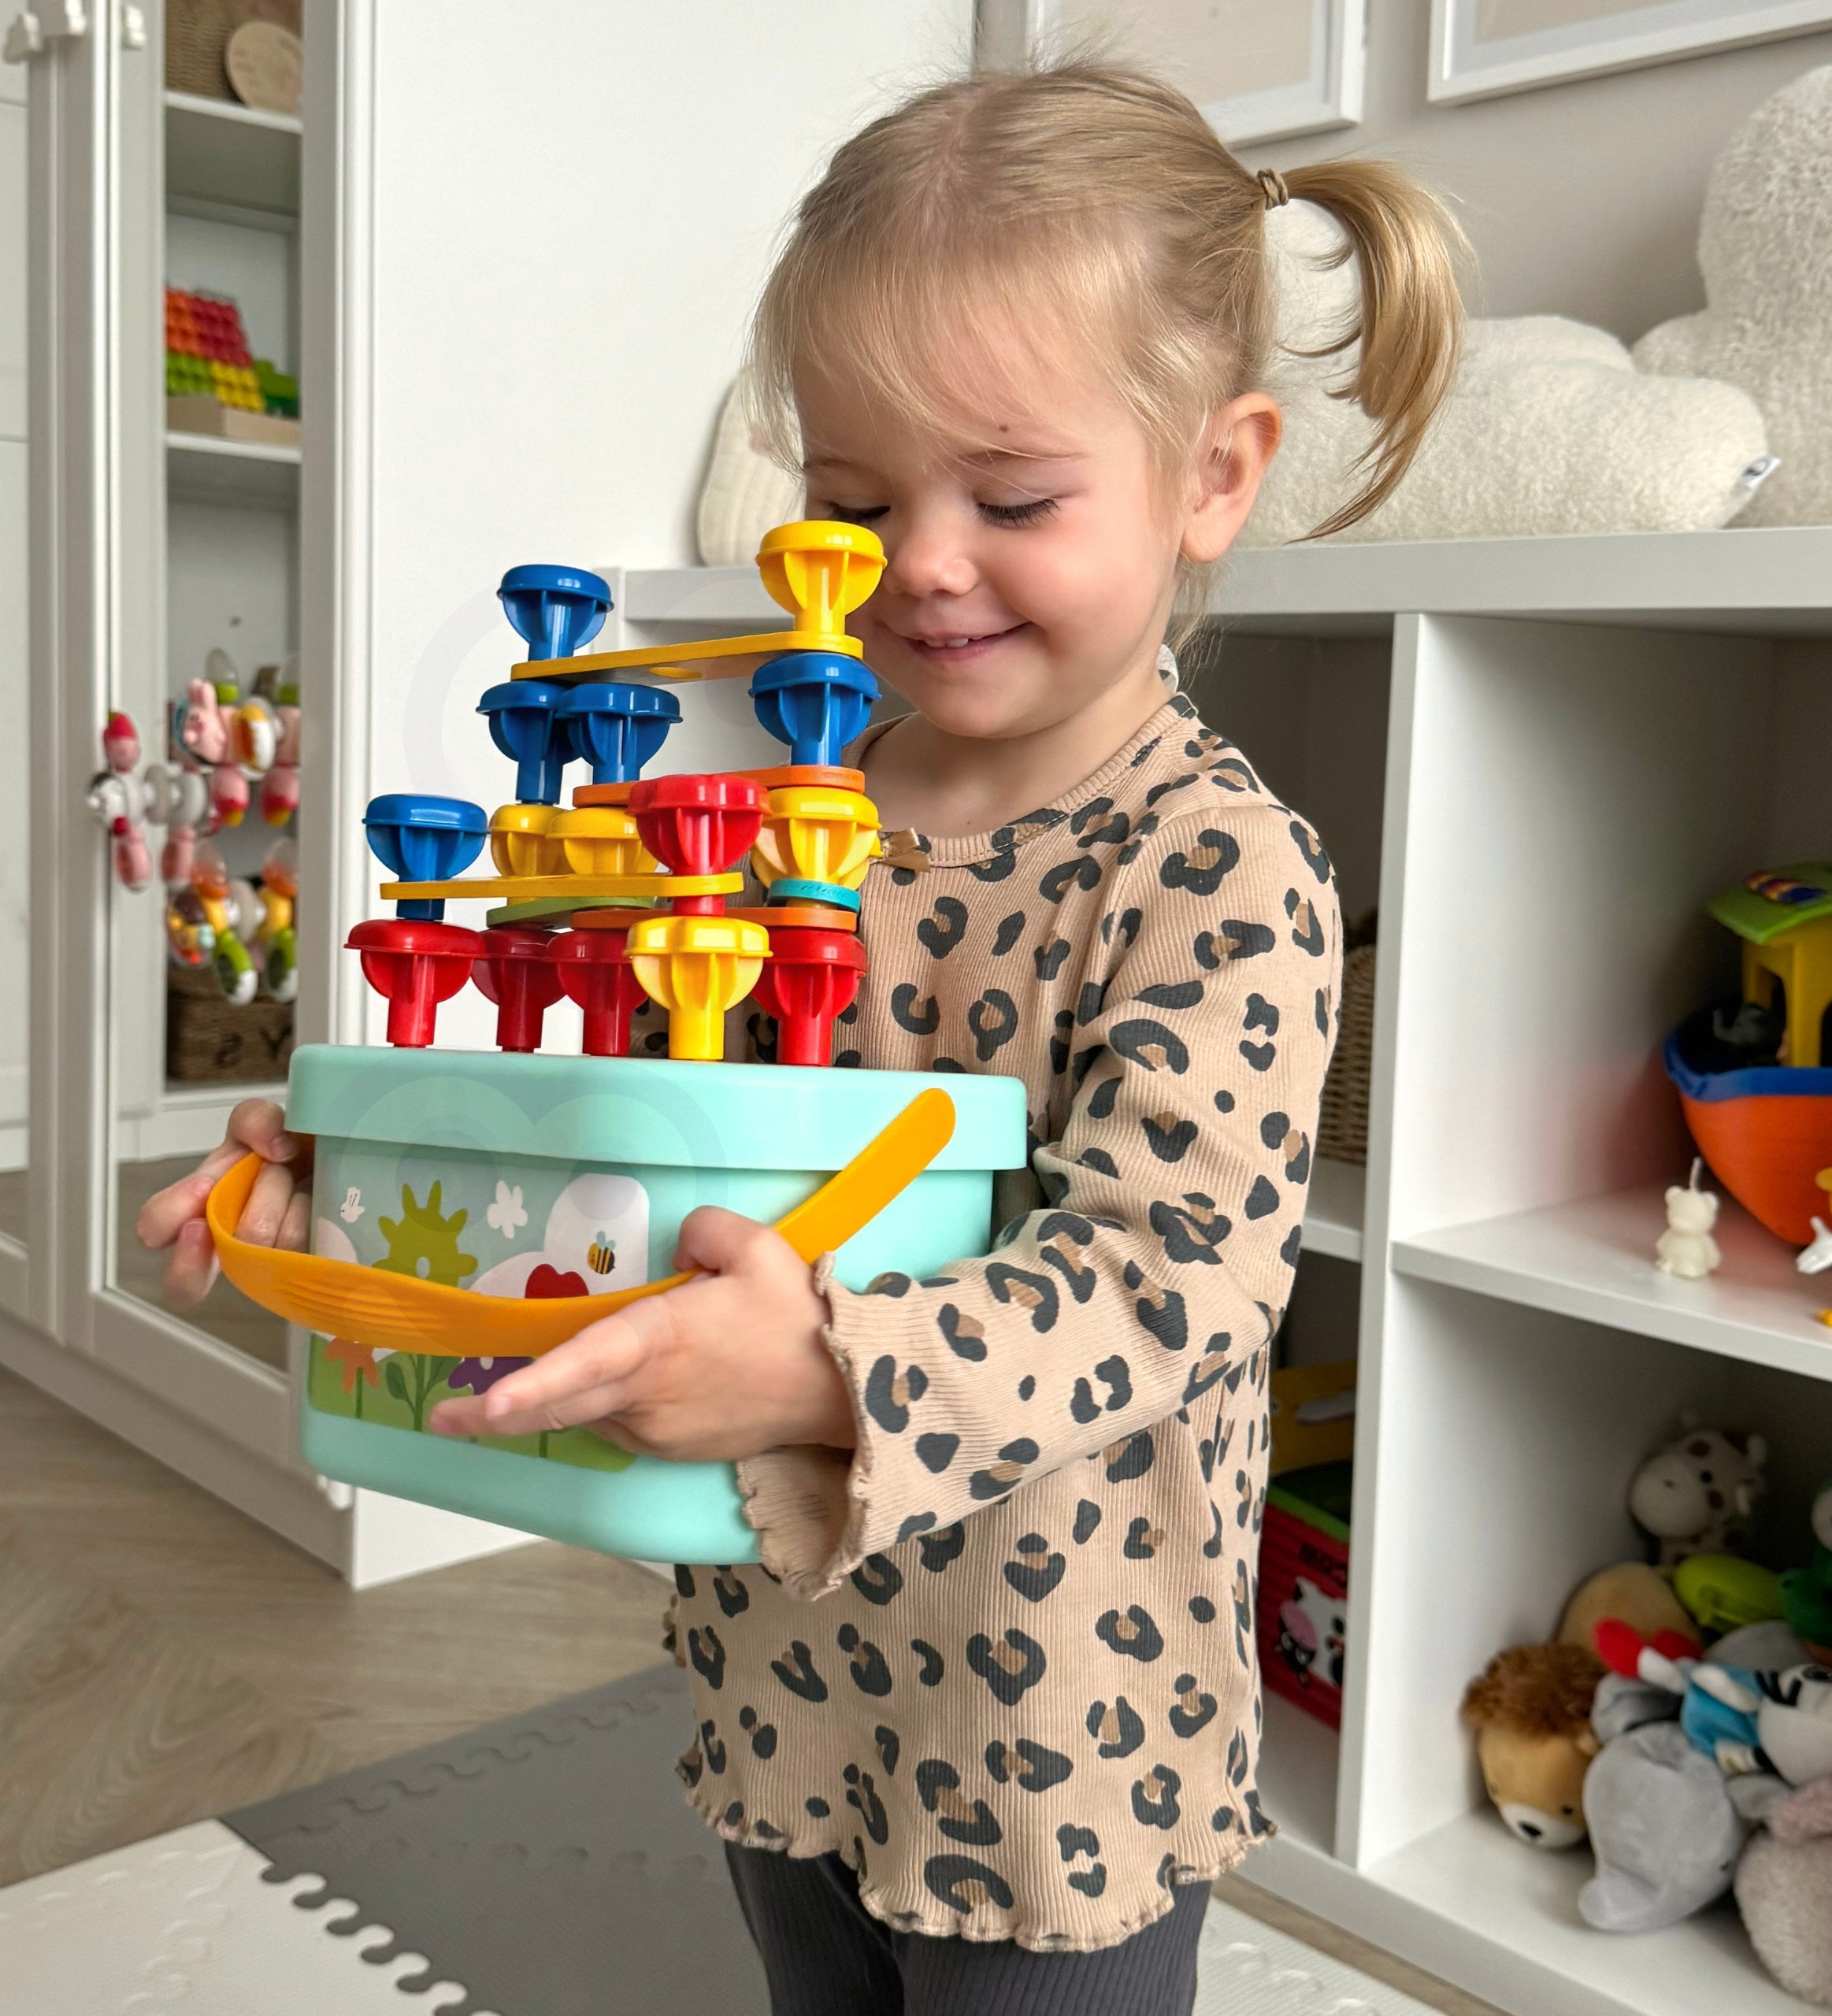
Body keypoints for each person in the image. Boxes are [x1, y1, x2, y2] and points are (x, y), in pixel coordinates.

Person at [138, 60, 1464, 2015]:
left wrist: (831, 1364)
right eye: (851, 503)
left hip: (1056, 1725)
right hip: (787, 1663)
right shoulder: (773, 823)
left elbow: (1171, 1278)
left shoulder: (1216, 864)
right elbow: (644, 1119)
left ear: (1211, 472)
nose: (915, 559)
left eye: (1009, 497)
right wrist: (358, 1177)